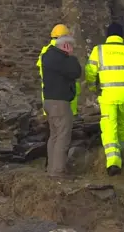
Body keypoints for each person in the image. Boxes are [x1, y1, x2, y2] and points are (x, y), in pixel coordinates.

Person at [85, 22, 124, 176]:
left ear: (108, 35)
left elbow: (90, 72)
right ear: (122, 36)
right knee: (123, 124)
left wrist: (93, 88)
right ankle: (122, 151)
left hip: (108, 96)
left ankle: (113, 162)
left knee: (109, 126)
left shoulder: (98, 50)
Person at [41, 35, 82, 180]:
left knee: (54, 136)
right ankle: (58, 171)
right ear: (65, 46)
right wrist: (71, 57)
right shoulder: (62, 59)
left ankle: (51, 168)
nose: (72, 50)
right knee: (63, 136)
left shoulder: (47, 56)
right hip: (60, 102)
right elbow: (76, 72)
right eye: (71, 47)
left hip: (49, 101)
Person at [36, 24, 81, 116]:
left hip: (51, 96)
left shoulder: (46, 51)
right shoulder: (59, 50)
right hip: (63, 97)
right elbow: (73, 71)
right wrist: (70, 56)